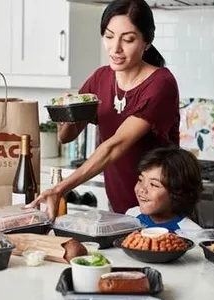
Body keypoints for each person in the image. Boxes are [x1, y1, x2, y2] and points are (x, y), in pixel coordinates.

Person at [28, 0, 180, 221]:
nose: (115, 48)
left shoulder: (161, 83)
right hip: (119, 205)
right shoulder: (100, 78)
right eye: (109, 37)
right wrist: (69, 114)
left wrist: (59, 189)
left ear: (147, 42)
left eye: (128, 39)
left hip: (161, 209)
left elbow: (114, 146)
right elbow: (66, 137)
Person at [126, 146, 203, 232]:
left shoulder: (193, 233)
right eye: (140, 180)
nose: (142, 189)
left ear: (177, 193)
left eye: (154, 184)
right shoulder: (131, 216)